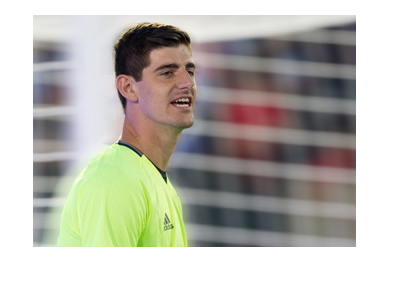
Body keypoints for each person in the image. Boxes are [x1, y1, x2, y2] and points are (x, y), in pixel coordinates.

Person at [57, 22, 197, 247]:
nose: (187, 83)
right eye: (168, 72)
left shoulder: (157, 182)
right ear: (128, 88)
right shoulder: (114, 178)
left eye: (190, 71)